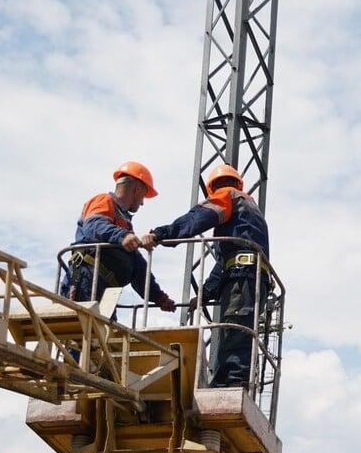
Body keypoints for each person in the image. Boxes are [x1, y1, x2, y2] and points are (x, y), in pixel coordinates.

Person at [143, 164, 269, 388]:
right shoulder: (248, 213)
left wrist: (162, 234)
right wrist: (204, 295)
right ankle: (224, 383)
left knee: (235, 330)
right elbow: (225, 262)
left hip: (243, 277)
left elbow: (197, 219)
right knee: (234, 329)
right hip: (246, 276)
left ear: (212, 188)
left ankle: (231, 385)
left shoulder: (229, 196)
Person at [60, 161, 176, 313]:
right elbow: (93, 225)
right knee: (85, 331)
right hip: (86, 280)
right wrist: (122, 236)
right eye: (143, 196)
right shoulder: (104, 201)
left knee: (103, 332)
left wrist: (159, 298)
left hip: (105, 290)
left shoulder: (125, 224)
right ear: (137, 188)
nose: (142, 203)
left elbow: (138, 267)